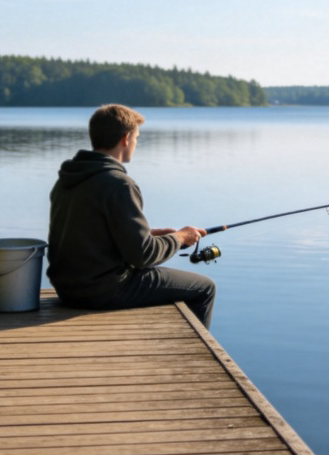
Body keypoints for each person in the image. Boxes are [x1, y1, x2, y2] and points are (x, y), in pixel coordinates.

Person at [46, 104, 216, 328]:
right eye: (137, 137)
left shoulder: (69, 179)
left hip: (68, 289)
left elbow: (89, 233)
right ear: (126, 138)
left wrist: (153, 235)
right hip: (103, 290)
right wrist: (180, 238)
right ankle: (192, 356)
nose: (136, 143)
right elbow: (142, 256)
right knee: (204, 288)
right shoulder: (119, 184)